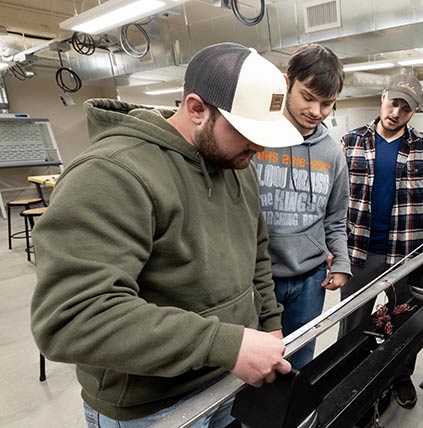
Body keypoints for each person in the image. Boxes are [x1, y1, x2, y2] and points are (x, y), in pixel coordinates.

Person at [30, 43, 303, 427]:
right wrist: (226, 342)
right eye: (246, 132)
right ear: (196, 108)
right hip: (152, 407)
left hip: (225, 378)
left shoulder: (236, 163)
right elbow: (72, 317)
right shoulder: (112, 174)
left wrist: (270, 321)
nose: (257, 147)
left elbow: (255, 251)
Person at [339, 74, 423, 409]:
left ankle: (400, 375)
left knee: (404, 323)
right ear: (383, 97)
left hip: (407, 255)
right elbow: (332, 198)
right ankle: (349, 379)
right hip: (358, 254)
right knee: (352, 326)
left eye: (405, 108)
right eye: (393, 102)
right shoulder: (350, 142)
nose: (396, 112)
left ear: (414, 112)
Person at [254, 43, 351, 371]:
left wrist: (341, 261)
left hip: (310, 280)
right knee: (256, 368)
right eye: (308, 97)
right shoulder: (256, 138)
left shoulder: (333, 153)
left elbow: (336, 217)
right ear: (286, 83)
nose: (316, 110)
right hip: (257, 279)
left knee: (298, 362)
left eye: (327, 103)